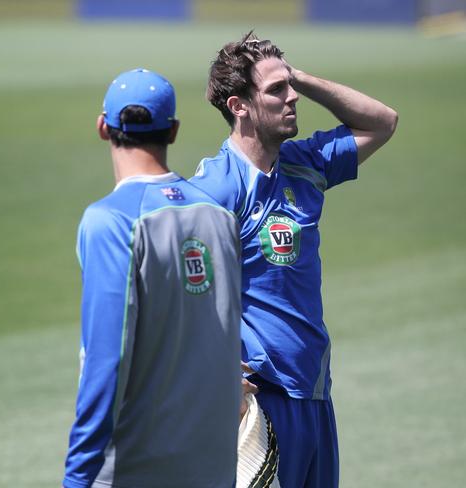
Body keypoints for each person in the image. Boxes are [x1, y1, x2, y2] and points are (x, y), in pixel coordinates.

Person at [189, 32, 398, 488]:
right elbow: (183, 295)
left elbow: (382, 122)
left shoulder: (306, 163)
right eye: (276, 90)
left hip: (315, 392)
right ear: (238, 105)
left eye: (291, 86)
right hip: (261, 399)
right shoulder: (215, 190)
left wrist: (295, 74)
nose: (292, 97)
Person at [63, 68, 243, 488]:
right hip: (213, 466)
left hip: (136, 468)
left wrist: (77, 477)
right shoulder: (220, 216)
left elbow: (106, 360)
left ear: (103, 128)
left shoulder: (109, 221)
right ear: (174, 131)